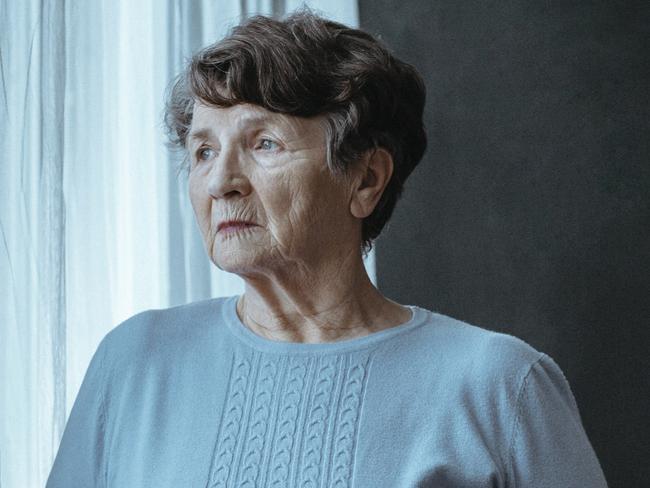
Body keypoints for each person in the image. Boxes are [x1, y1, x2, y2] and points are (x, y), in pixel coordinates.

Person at [47, 9, 608, 488]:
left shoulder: (500, 388)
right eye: (201, 152)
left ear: (366, 179)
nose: (220, 182)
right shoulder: (132, 364)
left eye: (263, 143)